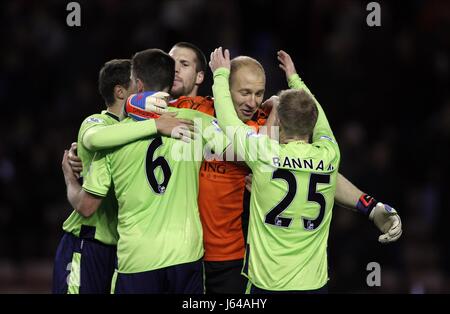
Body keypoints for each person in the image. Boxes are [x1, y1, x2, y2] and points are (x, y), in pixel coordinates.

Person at [61, 48, 230, 294]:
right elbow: (243, 148)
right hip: (186, 253)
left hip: (138, 258)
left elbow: (87, 203)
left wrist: (69, 175)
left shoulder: (113, 138)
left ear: (137, 85)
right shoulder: (197, 122)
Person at [210, 46, 340, 293]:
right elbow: (319, 117)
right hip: (313, 284)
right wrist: (295, 78)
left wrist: (219, 75)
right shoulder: (330, 154)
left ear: (278, 119)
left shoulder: (264, 152)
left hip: (268, 283)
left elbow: (227, 121)